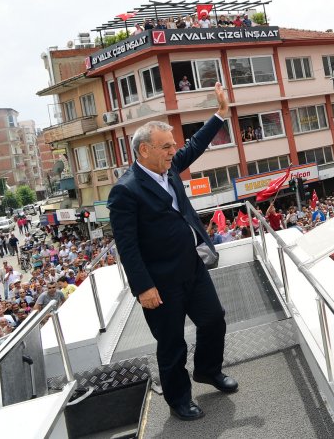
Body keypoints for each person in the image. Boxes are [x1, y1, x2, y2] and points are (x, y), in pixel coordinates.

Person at [108, 83, 236, 422]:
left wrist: (220, 113)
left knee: (213, 320)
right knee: (172, 344)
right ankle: (179, 399)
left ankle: (208, 370)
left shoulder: (169, 168)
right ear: (145, 150)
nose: (173, 151)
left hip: (192, 268)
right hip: (160, 284)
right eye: (166, 147)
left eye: (173, 146)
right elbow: (128, 245)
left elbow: (195, 146)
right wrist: (143, 287)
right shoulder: (125, 191)